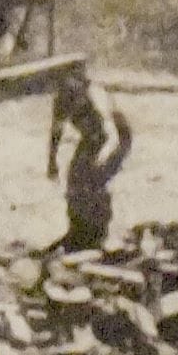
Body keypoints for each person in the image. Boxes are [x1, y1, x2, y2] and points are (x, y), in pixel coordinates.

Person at [46, 79, 133, 253]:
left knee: (93, 181)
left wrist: (102, 158)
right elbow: (56, 131)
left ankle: (99, 234)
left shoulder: (97, 97)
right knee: (75, 180)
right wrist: (52, 160)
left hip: (115, 139)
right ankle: (78, 230)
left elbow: (113, 134)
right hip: (92, 140)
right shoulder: (61, 102)